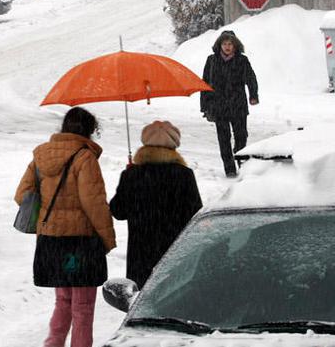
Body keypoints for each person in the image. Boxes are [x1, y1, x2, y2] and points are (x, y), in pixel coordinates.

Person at [14, 107, 116, 347]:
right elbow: (94, 203)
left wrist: (50, 211)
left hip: (51, 240)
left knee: (63, 301)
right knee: (83, 307)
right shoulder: (84, 157)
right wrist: (107, 239)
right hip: (79, 242)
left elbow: (23, 194)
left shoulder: (41, 155)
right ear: (90, 130)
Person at [109, 120, 202, 288]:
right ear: (174, 147)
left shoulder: (132, 175)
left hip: (140, 256)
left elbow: (118, 211)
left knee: (142, 304)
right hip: (174, 253)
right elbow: (195, 214)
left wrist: (128, 179)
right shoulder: (184, 175)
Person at [200, 30, 259, 178]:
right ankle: (230, 168)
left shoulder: (242, 60)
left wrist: (253, 95)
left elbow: (251, 78)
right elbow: (205, 83)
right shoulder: (212, 61)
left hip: (238, 105)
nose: (227, 47)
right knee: (223, 138)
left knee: (241, 136)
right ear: (219, 45)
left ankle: (242, 162)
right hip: (219, 106)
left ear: (235, 45)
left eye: (230, 44)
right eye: (224, 43)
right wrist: (205, 106)